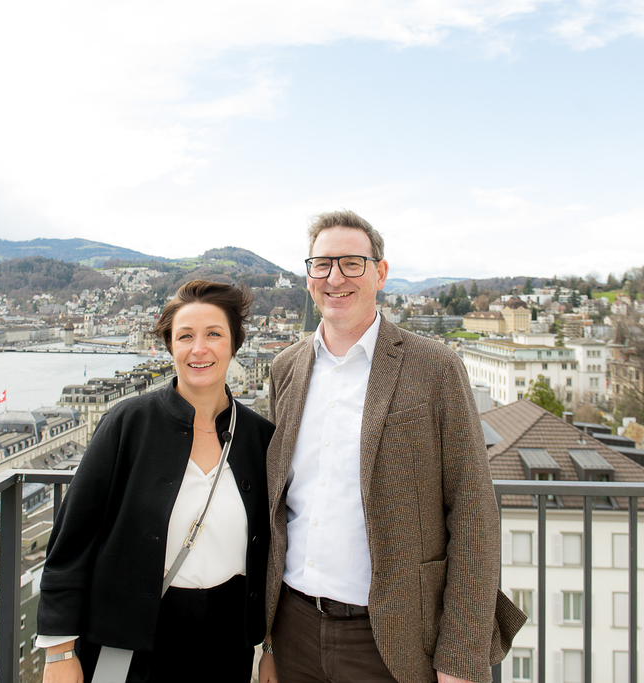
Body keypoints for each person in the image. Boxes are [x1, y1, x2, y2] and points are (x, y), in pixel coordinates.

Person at [259, 211, 527, 683]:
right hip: (293, 626)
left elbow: (473, 510)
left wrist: (460, 659)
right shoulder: (286, 369)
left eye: (352, 263)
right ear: (307, 277)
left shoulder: (435, 367)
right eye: (322, 265)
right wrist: (269, 643)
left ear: (380, 274)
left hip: (394, 638)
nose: (335, 278)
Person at [36, 279, 274, 683]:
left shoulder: (259, 437)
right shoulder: (127, 424)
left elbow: (273, 549)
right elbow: (71, 542)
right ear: (171, 348)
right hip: (133, 643)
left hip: (227, 644)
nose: (199, 349)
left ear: (235, 344)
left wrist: (269, 645)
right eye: (185, 336)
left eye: (214, 334)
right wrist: (59, 653)